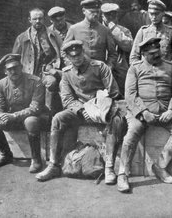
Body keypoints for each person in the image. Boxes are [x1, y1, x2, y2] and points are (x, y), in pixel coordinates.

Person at [35, 40, 123, 183]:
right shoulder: (67, 73)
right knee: (58, 118)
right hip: (81, 111)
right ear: (68, 58)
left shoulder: (100, 67)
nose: (77, 58)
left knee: (116, 120)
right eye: (73, 56)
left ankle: (109, 168)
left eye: (79, 54)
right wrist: (82, 110)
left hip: (101, 110)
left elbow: (113, 92)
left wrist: (97, 108)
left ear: (83, 52)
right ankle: (54, 165)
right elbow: (67, 99)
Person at [117, 37, 172, 193]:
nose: (156, 56)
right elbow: (130, 94)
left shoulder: (170, 67)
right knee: (132, 133)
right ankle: (123, 174)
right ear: (143, 54)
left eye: (158, 52)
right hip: (141, 112)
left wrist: (171, 110)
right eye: (151, 54)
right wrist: (143, 111)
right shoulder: (135, 68)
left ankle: (160, 166)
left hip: (165, 111)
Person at [0, 54, 47, 173]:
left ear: (21, 67)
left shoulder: (35, 81)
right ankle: (6, 154)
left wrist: (14, 116)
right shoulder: (1, 84)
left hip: (33, 119)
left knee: (31, 121)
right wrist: (0, 116)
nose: (13, 71)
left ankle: (36, 158)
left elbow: (35, 108)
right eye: (10, 69)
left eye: (16, 67)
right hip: (11, 120)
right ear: (5, 71)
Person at [12, 8, 63, 115]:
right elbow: (14, 58)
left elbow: (62, 53)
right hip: (28, 72)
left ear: (44, 19)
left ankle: (48, 113)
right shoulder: (22, 38)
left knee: (51, 82)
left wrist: (54, 67)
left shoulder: (53, 35)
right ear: (29, 20)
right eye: (35, 19)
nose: (38, 21)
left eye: (40, 18)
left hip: (46, 71)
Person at [64, 0, 118, 70]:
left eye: (97, 12)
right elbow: (63, 50)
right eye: (92, 12)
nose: (95, 14)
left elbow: (113, 54)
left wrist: (108, 67)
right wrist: (71, 65)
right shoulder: (74, 29)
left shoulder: (105, 30)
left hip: (99, 71)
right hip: (79, 70)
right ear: (84, 11)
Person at [129, 0, 172, 67]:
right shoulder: (143, 32)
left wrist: (167, 68)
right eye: (151, 14)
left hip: (165, 74)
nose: (154, 17)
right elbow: (133, 57)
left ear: (163, 13)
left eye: (157, 14)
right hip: (145, 74)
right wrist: (142, 69)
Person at [101, 3, 133, 96]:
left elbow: (128, 46)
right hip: (102, 66)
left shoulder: (124, 31)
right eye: (108, 14)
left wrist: (114, 29)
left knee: (122, 94)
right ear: (102, 15)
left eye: (113, 14)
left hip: (120, 68)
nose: (111, 17)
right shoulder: (98, 29)